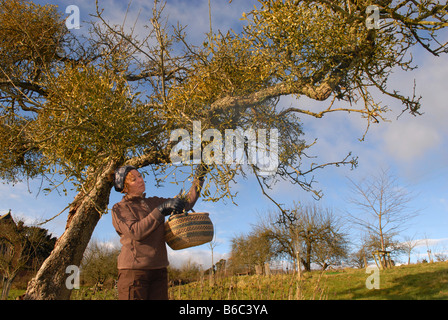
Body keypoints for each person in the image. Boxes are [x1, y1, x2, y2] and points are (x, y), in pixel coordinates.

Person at [111, 164, 207, 300]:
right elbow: (135, 232)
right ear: (125, 187)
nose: (140, 180)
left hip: (159, 271)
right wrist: (161, 210)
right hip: (134, 273)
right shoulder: (120, 209)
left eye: (140, 176)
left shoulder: (153, 202)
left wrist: (199, 177)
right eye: (134, 179)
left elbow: (186, 203)